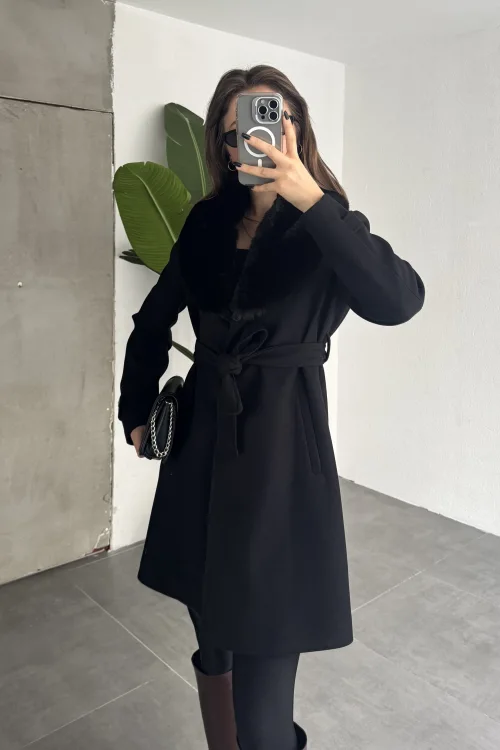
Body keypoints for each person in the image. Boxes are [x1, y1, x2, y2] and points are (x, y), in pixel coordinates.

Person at [119, 65, 424, 750]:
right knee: (212, 644)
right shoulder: (206, 223)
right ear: (224, 145)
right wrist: (135, 407)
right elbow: (153, 318)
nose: (256, 139)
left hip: (284, 454)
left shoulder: (329, 225)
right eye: (238, 131)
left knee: (263, 709)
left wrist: (310, 198)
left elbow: (399, 301)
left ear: (296, 127)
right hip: (202, 448)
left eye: (272, 120)